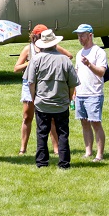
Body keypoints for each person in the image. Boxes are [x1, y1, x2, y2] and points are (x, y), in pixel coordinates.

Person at [14, 24, 74, 155]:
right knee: (27, 117)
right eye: (39, 35)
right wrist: (30, 63)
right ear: (35, 36)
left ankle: (56, 148)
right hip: (29, 83)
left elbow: (69, 56)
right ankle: (23, 148)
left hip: (46, 84)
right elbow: (16, 68)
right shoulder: (28, 49)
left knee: (51, 118)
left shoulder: (53, 46)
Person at [27, 29, 80, 168]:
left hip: (42, 103)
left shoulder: (36, 59)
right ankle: (64, 163)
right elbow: (72, 84)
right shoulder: (65, 60)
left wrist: (33, 98)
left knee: (42, 133)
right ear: (55, 43)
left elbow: (31, 82)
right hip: (61, 103)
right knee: (62, 133)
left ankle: (42, 162)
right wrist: (68, 99)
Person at [73, 23, 108, 161]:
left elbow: (101, 72)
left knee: (95, 123)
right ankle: (88, 151)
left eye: (82, 35)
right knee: (84, 124)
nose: (80, 38)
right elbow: (76, 73)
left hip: (94, 94)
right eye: (78, 35)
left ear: (90, 35)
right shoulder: (79, 53)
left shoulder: (99, 52)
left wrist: (89, 64)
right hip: (80, 94)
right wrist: (74, 91)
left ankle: (99, 154)